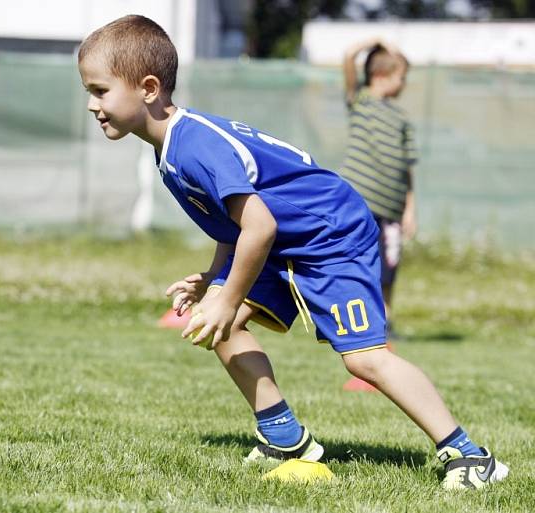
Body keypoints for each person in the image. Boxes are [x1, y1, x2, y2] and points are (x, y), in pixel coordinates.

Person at [77, 14, 507, 490]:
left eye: (100, 90)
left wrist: (225, 294)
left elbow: (259, 226)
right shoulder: (171, 147)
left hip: (331, 236)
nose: (92, 104)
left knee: (364, 359)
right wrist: (212, 280)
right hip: (289, 240)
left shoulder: (194, 145)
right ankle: (285, 438)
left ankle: (470, 456)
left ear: (149, 87)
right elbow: (235, 224)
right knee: (217, 324)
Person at [340, 38, 417, 339]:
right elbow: (348, 55)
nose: (404, 84)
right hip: (360, 202)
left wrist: (410, 208)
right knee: (359, 262)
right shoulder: (360, 99)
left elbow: (408, 167)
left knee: (389, 266)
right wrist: (378, 42)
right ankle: (353, 319)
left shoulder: (402, 117)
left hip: (393, 208)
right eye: (402, 77)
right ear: (381, 75)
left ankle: (385, 320)